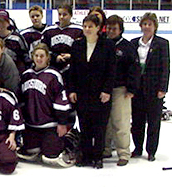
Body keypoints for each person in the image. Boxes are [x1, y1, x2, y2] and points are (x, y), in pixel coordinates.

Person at [68, 15, 116, 169]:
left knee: (99, 127)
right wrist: (72, 89)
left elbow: (111, 70)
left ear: (98, 28)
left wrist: (107, 90)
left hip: (100, 94)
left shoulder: (107, 45)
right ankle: (86, 155)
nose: (87, 29)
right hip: (82, 93)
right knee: (85, 125)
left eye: (90, 26)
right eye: (85, 26)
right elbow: (73, 70)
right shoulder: (77, 45)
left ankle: (98, 156)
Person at [17, 43, 74, 167]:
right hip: (31, 125)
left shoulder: (54, 75)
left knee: (51, 153)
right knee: (31, 150)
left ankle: (69, 141)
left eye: (42, 56)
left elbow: (61, 101)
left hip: (50, 124)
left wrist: (62, 123)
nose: (39, 58)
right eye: (36, 55)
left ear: (48, 57)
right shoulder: (26, 75)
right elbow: (21, 100)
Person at [130, 12, 170, 162]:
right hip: (137, 89)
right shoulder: (134, 43)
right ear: (141, 26)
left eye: (150, 24)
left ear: (155, 27)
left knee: (153, 122)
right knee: (137, 121)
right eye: (144, 24)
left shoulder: (162, 44)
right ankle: (138, 148)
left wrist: (163, 88)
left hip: (154, 89)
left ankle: (151, 150)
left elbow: (166, 67)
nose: (147, 27)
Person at [102, 15, 141, 166]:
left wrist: (131, 88)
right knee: (105, 122)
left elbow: (135, 69)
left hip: (121, 89)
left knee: (121, 122)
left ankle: (123, 152)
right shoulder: (102, 44)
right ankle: (105, 149)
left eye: (114, 29)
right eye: (109, 28)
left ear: (121, 30)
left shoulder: (127, 47)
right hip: (104, 89)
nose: (111, 31)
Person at [42, 4, 83, 76]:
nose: (61, 17)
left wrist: (71, 55)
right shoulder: (49, 31)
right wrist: (55, 57)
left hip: (73, 69)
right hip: (53, 67)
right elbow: (44, 48)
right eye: (59, 14)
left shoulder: (79, 30)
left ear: (71, 15)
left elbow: (82, 49)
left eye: (64, 14)